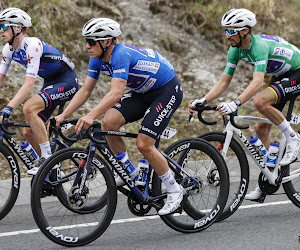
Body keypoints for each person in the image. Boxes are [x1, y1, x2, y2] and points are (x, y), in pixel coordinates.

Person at [55, 17, 184, 215]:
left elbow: (116, 93)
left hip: (166, 90)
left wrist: (90, 116)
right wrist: (63, 115)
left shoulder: (120, 55)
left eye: (91, 41)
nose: (87, 46)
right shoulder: (96, 58)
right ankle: (128, 172)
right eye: (86, 41)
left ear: (106, 41)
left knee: (144, 144)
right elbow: (85, 91)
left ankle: (174, 189)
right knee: (109, 122)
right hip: (143, 91)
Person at [188, 8, 300, 200]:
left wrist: (236, 102)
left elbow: (257, 82)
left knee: (260, 101)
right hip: (281, 75)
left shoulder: (258, 47)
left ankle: (292, 139)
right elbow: (224, 81)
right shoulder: (235, 49)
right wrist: (204, 99)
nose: (227, 36)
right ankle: (269, 178)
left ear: (244, 31)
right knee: (260, 128)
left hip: (297, 71)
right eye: (225, 30)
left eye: (231, 31)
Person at [0, 8, 78, 175]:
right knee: (28, 131)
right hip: (51, 82)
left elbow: (29, 84)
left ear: (18, 28)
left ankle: (47, 159)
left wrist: (9, 107)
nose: (1, 30)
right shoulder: (8, 50)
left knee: (28, 108)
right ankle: (52, 169)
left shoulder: (32, 45)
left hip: (67, 80)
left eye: (4, 26)